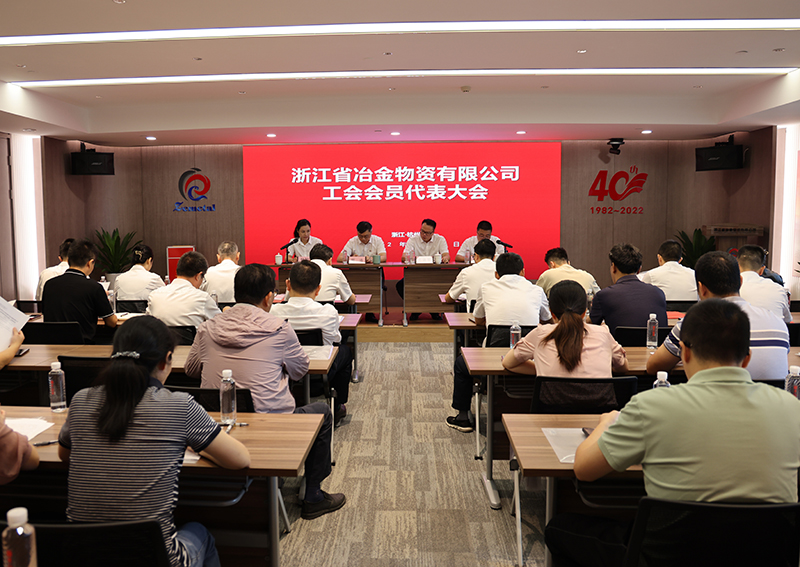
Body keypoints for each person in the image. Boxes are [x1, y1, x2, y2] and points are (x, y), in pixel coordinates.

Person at [546, 299, 800, 566]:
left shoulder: (651, 406)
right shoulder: (792, 408)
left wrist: (605, 423)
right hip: (764, 557)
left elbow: (583, 469)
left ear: (684, 353)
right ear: (747, 357)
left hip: (667, 557)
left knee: (560, 528)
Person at [58, 316, 250, 567]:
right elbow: (240, 459)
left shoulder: (81, 400)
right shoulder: (179, 405)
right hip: (155, 559)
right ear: (165, 359)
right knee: (200, 533)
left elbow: (65, 454)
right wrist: (196, 445)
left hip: (82, 557)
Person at [185, 264, 346, 520]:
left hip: (216, 424)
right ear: (269, 297)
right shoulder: (279, 328)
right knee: (323, 412)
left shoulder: (207, 327)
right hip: (272, 423)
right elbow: (300, 370)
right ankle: (313, 496)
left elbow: (191, 370)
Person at [447, 253, 551, 432]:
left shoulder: (487, 288)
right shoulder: (536, 290)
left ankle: (463, 417)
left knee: (461, 363)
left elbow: (478, 319)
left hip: (495, 356)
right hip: (531, 359)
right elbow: (547, 319)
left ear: (496, 274)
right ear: (523, 272)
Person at [647, 251, 789, 381]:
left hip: (715, 400)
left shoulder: (691, 323)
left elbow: (653, 367)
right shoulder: (777, 323)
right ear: (741, 282)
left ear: (701, 288)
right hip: (771, 401)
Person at [270, 261, 352, 423]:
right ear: (318, 289)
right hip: (321, 374)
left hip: (285, 371)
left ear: (288, 285)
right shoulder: (328, 312)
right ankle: (337, 405)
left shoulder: (273, 312)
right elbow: (335, 341)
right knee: (345, 351)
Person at [502, 280, 628, 377]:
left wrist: (543, 369)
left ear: (552, 313)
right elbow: (623, 366)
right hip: (600, 404)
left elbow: (508, 363)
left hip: (551, 404)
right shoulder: (603, 333)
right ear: (584, 313)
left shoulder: (540, 333)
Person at [42, 239, 117, 344]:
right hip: (83, 348)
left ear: (68, 261)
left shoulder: (49, 285)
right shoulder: (94, 287)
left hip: (52, 347)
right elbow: (111, 323)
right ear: (90, 263)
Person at [589, 243, 667, 335]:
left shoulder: (603, 296)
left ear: (613, 267)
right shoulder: (659, 293)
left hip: (618, 344)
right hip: (653, 344)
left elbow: (591, 325)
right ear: (639, 270)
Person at [147, 251, 220, 328]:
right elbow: (220, 324)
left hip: (161, 336)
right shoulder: (202, 298)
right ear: (198, 276)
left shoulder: (154, 296)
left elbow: (147, 324)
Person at [397, 219, 450, 320]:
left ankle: (434, 310)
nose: (424, 235)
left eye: (427, 233)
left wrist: (445, 258)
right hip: (415, 274)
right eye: (422, 231)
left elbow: (446, 255)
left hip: (434, 274)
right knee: (400, 285)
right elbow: (403, 257)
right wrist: (410, 258)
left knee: (439, 285)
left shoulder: (440, 239)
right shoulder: (413, 239)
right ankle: (416, 308)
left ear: (433, 233)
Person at [737, 244, 791, 322]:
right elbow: (788, 320)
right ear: (762, 270)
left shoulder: (730, 289)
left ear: (737, 266)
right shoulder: (778, 289)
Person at [444, 239, 496, 312]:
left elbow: (449, 298)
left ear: (476, 256)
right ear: (494, 257)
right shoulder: (502, 271)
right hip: (498, 316)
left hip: (475, 317)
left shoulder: (466, 272)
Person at [535, 247, 600, 297]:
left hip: (556, 310)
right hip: (582, 310)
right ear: (568, 263)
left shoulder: (547, 275)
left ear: (552, 264)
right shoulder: (588, 276)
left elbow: (536, 297)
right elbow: (600, 297)